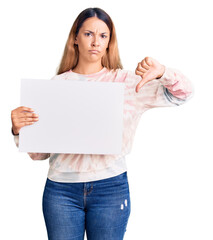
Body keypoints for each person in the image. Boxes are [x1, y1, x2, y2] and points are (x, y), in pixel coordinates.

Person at [11, 7, 193, 240]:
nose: (95, 41)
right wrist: (18, 130)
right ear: (75, 38)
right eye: (88, 34)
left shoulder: (127, 83)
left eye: (103, 36)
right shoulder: (57, 85)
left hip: (110, 189)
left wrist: (163, 73)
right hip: (61, 191)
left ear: (109, 42)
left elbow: (183, 94)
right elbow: (39, 154)